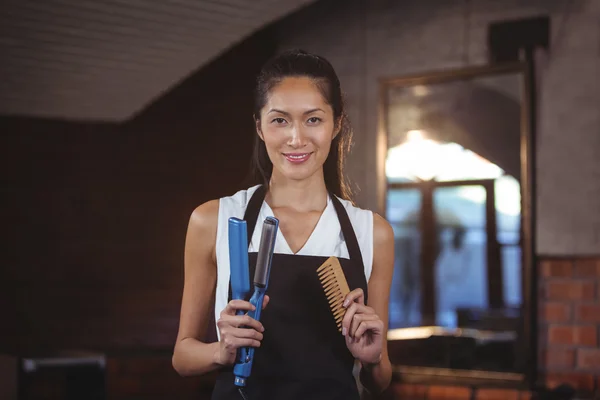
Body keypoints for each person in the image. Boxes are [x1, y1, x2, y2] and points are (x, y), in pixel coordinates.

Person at [172, 49, 394, 400]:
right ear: (259, 126)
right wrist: (221, 351)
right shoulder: (213, 220)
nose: (296, 138)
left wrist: (372, 357)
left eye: (313, 120)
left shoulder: (371, 232)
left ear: (337, 124)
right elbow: (182, 357)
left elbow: (379, 379)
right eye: (280, 120)